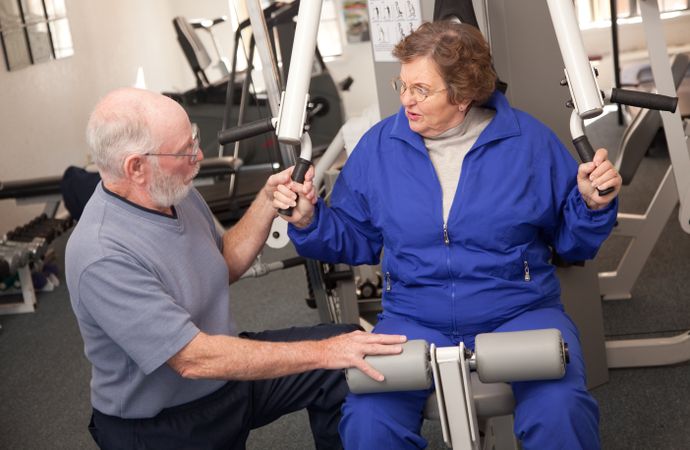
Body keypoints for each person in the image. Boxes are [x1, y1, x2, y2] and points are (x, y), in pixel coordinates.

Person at [273, 21, 622, 450]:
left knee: (561, 413)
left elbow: (572, 243)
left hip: (518, 309)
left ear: (463, 94)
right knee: (367, 423)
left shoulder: (528, 143)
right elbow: (355, 238)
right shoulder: (380, 147)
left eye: (421, 89)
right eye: (402, 84)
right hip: (413, 317)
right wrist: (309, 220)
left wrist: (591, 204)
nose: (405, 100)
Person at [65, 87, 407, 450]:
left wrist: (267, 200)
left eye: (193, 140)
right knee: (333, 352)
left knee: (347, 364)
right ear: (136, 167)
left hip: (226, 378)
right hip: (164, 426)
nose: (198, 156)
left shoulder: (172, 191)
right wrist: (325, 351)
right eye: (184, 152)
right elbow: (193, 359)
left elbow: (221, 262)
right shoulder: (102, 254)